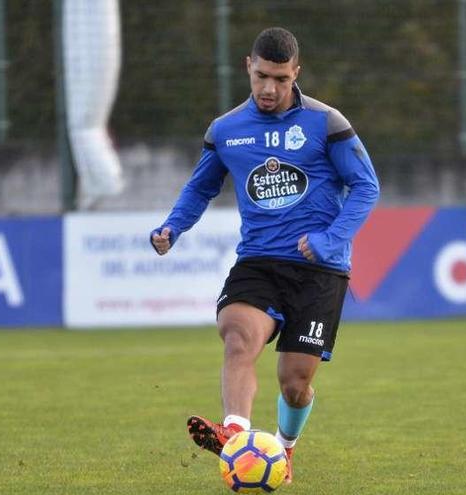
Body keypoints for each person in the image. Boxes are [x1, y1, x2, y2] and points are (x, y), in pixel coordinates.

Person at [150, 27, 379, 483]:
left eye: (279, 78)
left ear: (296, 72)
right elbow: (201, 187)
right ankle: (235, 436)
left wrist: (331, 240)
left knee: (295, 384)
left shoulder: (326, 123)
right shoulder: (226, 130)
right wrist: (173, 224)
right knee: (236, 336)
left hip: (320, 269)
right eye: (261, 77)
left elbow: (366, 186)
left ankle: (285, 449)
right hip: (258, 260)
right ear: (247, 68)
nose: (269, 88)